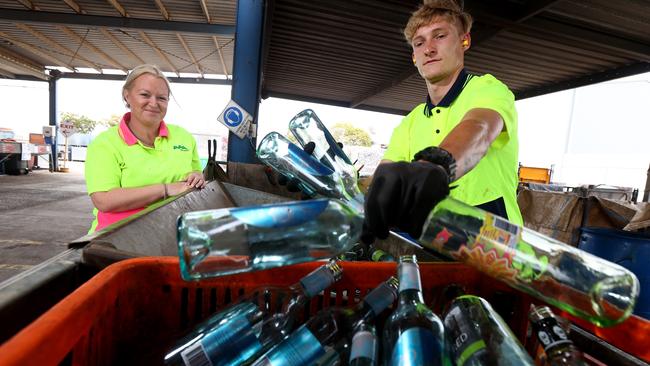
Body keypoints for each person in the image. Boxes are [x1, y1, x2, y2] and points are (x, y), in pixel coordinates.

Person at [362, 0, 523, 243]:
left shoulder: (487, 89)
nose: (428, 49)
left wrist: (438, 164)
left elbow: (480, 128)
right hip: (435, 250)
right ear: (414, 57)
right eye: (419, 42)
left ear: (464, 41)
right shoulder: (411, 121)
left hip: (498, 252)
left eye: (439, 36)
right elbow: (386, 178)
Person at [84, 64, 205, 233]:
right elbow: (104, 200)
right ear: (127, 96)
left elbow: (196, 175)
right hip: (118, 236)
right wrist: (166, 189)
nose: (154, 103)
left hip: (172, 232)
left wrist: (197, 177)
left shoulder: (183, 137)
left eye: (162, 98)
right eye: (144, 95)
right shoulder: (105, 144)